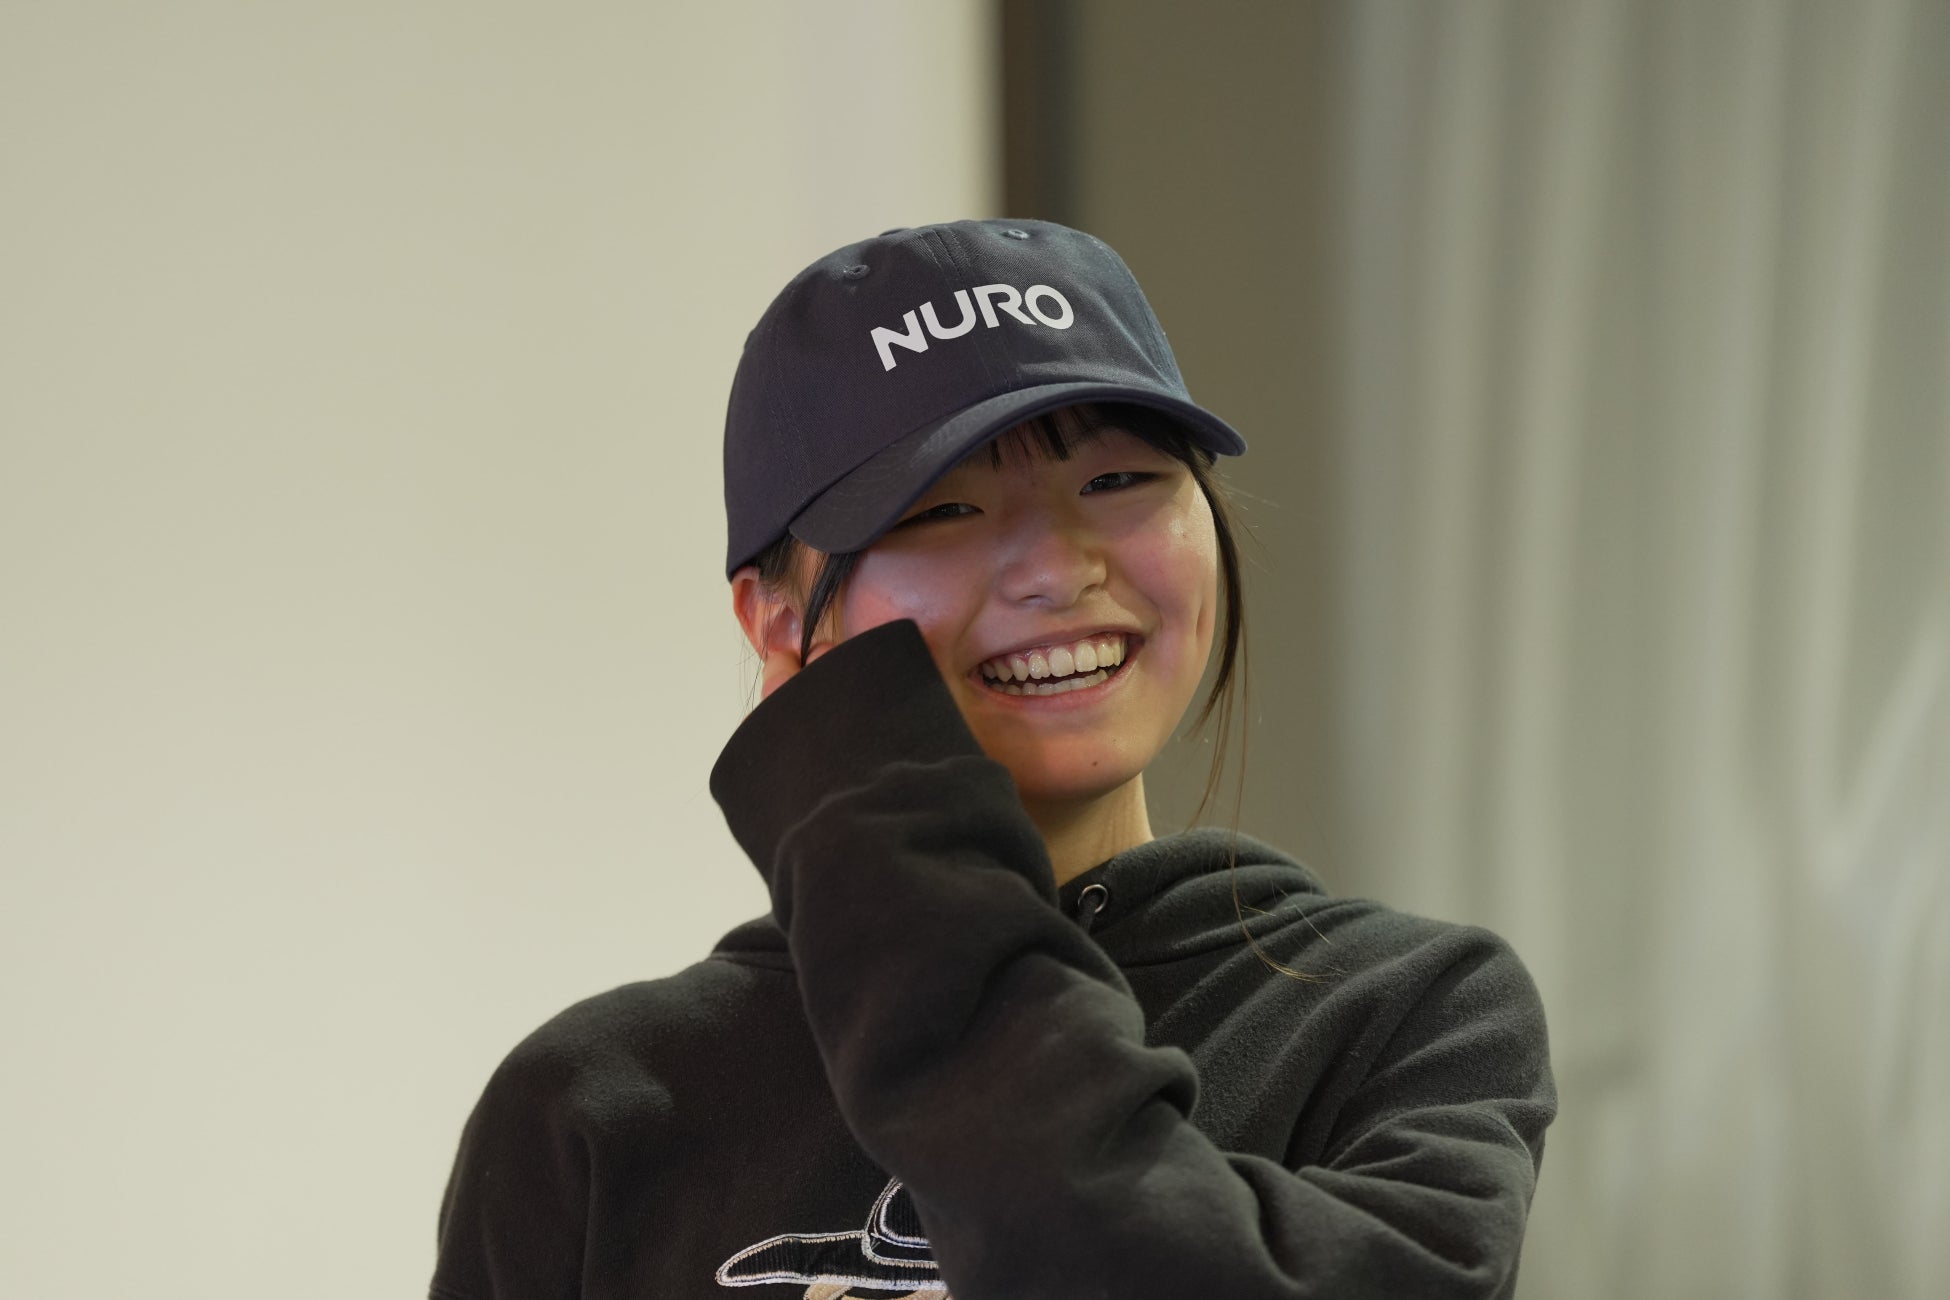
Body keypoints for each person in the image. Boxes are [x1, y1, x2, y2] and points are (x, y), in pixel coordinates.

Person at [429, 218, 1556, 1300]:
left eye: (1116, 482)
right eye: (944, 509)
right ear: (776, 621)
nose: (1058, 570)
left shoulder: (1404, 1014)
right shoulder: (600, 1106)